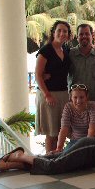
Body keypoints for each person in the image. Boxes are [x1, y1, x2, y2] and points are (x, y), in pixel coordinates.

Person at [35, 20, 72, 153]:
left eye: (65, 31)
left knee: (60, 130)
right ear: (53, 32)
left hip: (63, 94)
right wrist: (47, 95)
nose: (62, 33)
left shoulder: (66, 50)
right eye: (59, 30)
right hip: (48, 94)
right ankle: (49, 159)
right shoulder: (46, 50)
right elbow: (38, 75)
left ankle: (57, 157)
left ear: (68, 35)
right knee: (51, 132)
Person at [54, 84, 95, 152]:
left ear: (87, 97)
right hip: (74, 141)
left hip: (92, 141)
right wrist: (59, 148)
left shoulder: (94, 106)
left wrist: (84, 149)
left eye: (81, 97)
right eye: (75, 97)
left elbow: (91, 131)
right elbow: (64, 129)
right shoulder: (68, 107)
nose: (78, 101)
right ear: (71, 98)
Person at [69, 24, 95, 107]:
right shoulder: (69, 54)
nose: (84, 36)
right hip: (75, 104)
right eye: (81, 34)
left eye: (87, 34)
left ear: (92, 35)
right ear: (77, 37)